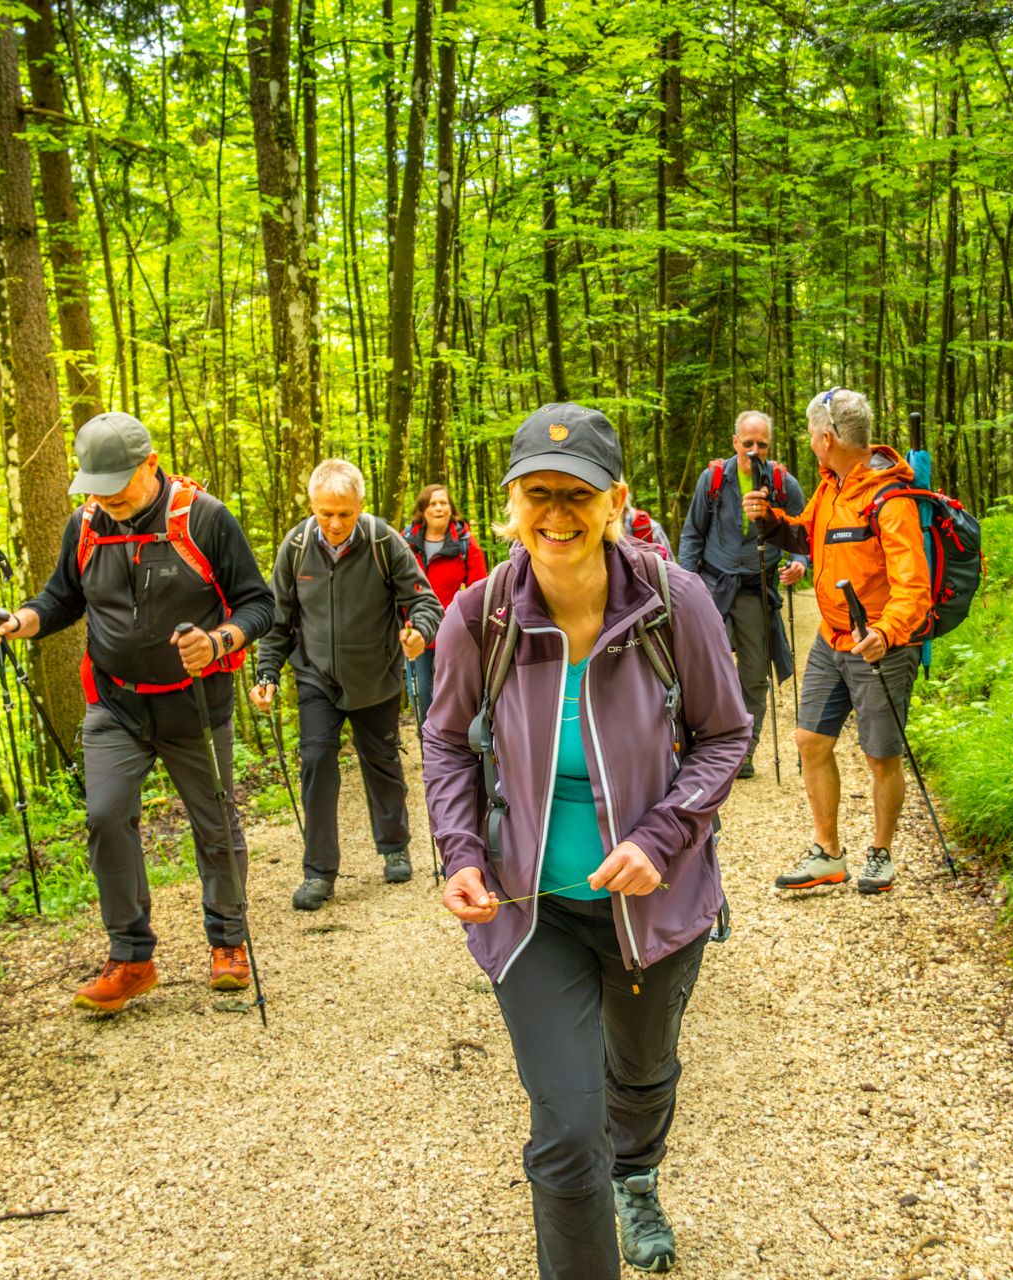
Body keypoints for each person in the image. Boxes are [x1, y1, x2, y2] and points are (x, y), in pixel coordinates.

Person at [422, 403, 751, 1279]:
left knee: (638, 1077)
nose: (557, 514)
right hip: (532, 915)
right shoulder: (480, 615)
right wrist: (459, 851)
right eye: (538, 494)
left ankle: (636, 1176)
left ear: (617, 502)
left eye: (578, 494)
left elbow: (726, 735)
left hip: (652, 907)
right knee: (568, 1130)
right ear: (511, 503)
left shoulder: (671, 603)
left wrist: (661, 836)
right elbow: (446, 738)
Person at [0, 411, 275, 1012]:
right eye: (96, 484)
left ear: (151, 463)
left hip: (194, 704)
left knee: (215, 823)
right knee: (106, 817)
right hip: (115, 703)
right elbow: (60, 598)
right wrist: (19, 622)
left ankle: (228, 942)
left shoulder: (205, 519)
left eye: (118, 482)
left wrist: (220, 641)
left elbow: (257, 604)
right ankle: (132, 957)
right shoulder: (85, 524)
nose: (107, 496)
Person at [743, 388, 931, 896]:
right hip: (833, 639)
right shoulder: (832, 487)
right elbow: (809, 537)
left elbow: (915, 589)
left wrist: (885, 633)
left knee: (880, 756)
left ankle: (881, 852)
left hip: (881, 648)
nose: (809, 442)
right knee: (811, 741)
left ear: (826, 438)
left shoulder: (889, 499)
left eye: (810, 434)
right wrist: (771, 521)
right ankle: (828, 854)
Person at [250, 460, 444, 911]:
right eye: (325, 514)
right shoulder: (296, 547)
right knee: (316, 760)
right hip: (316, 675)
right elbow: (278, 621)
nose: (335, 524)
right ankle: (319, 872)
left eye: (344, 513)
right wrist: (266, 675)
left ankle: (394, 844)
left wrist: (420, 634)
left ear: (359, 506)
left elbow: (423, 601)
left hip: (376, 675)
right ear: (313, 507)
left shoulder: (383, 542)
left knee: (380, 761)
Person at [676, 410, 810, 777]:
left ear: (769, 446)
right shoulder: (714, 480)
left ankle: (743, 752)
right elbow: (692, 535)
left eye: (761, 444)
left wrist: (799, 563)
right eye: (747, 443)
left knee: (753, 675)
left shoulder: (784, 485)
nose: (754, 450)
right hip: (712, 587)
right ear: (735, 442)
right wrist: (685, 588)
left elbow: (804, 535)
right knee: (701, 670)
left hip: (756, 590)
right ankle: (700, 745)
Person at [401, 482, 487, 705]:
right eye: (432, 503)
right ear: (423, 510)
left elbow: (480, 589)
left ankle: (446, 739)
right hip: (415, 630)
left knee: (448, 695)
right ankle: (424, 739)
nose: (438, 508)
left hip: (452, 633)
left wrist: (469, 625)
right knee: (421, 695)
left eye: (443, 503)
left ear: (450, 508)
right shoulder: (406, 541)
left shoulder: (465, 543)